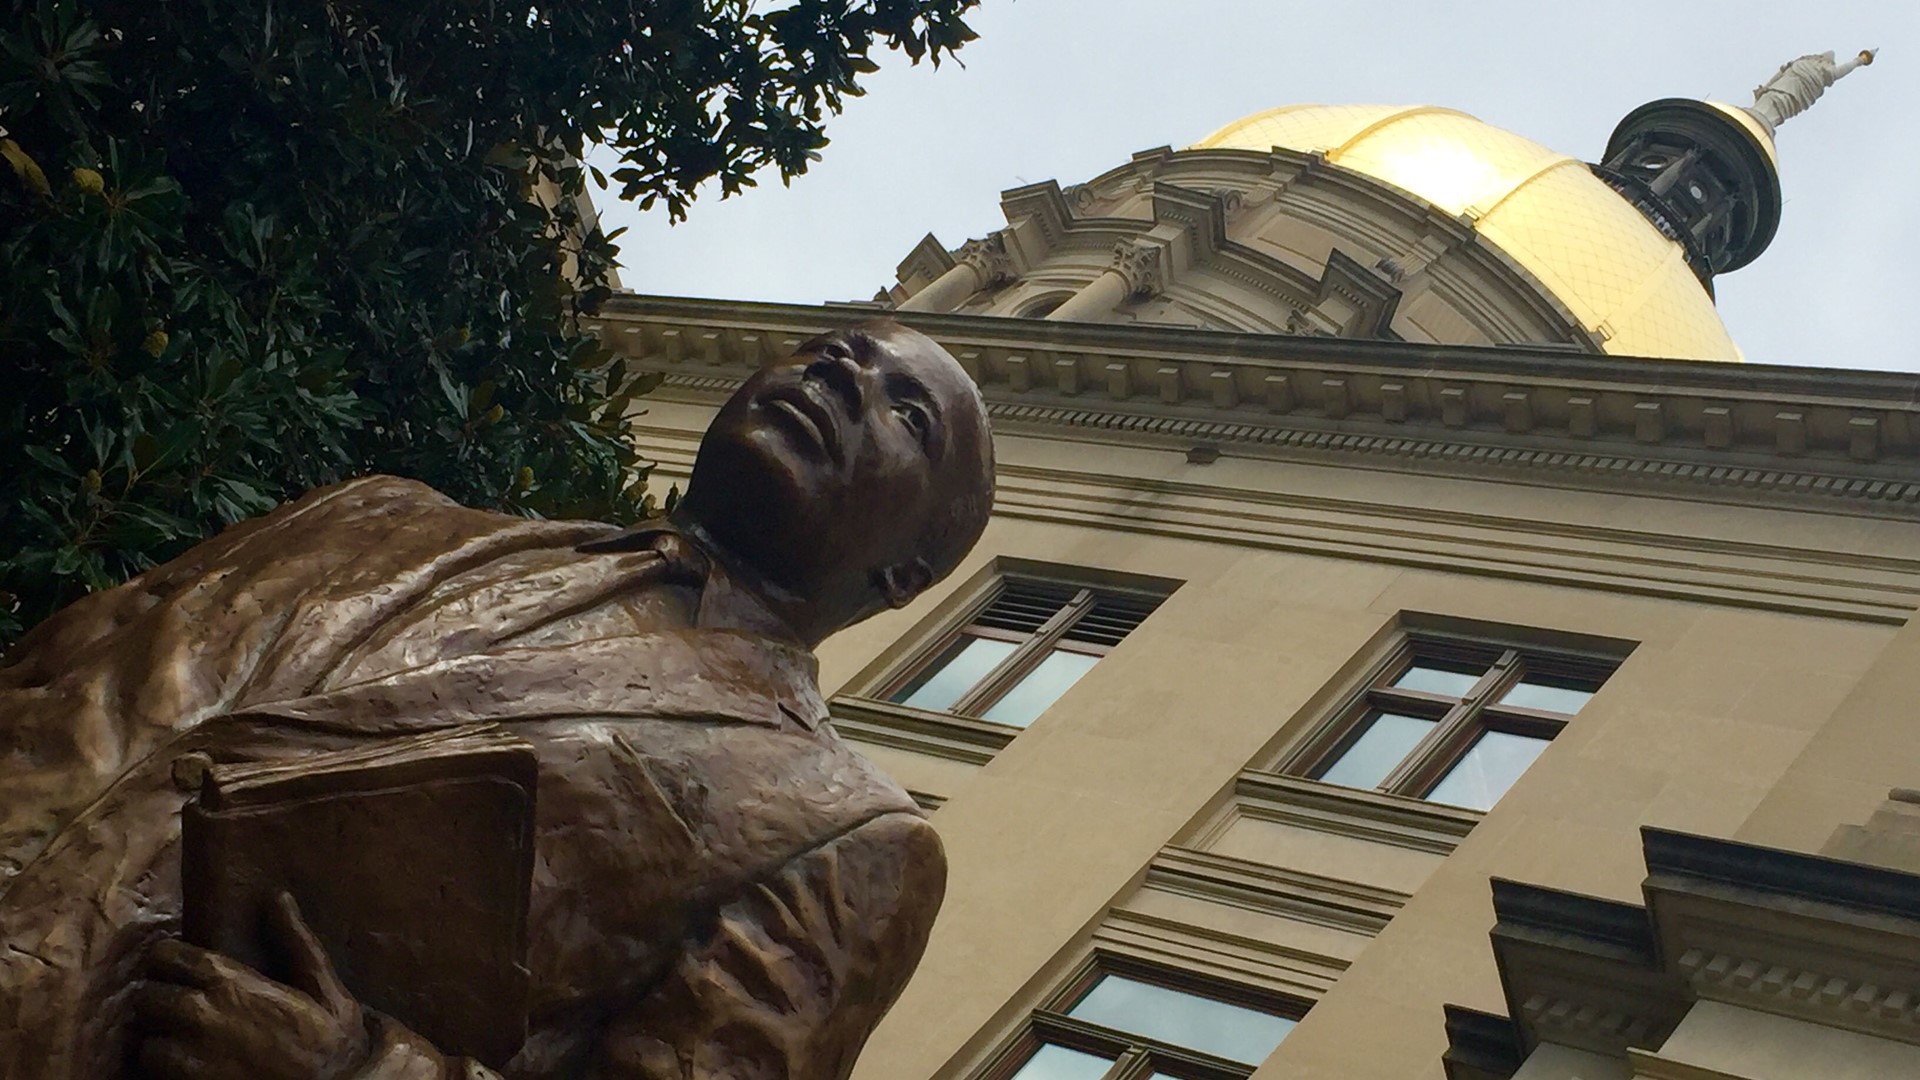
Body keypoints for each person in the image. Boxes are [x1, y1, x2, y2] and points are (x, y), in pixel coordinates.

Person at [0, 320, 994, 1080]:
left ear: (905, 574)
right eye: (834, 349)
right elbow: (60, 669)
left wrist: (356, 1069)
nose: (843, 373)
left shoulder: (850, 835)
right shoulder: (377, 512)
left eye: (907, 413)